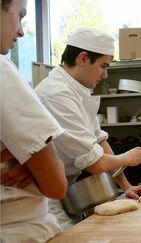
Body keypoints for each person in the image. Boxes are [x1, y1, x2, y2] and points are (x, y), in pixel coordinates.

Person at [35, 27, 141, 229]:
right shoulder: (56, 94)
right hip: (44, 198)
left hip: (66, 191)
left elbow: (99, 139)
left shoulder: (77, 89)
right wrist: (127, 158)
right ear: (83, 58)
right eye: (103, 66)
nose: (106, 75)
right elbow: (94, 163)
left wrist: (126, 187)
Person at [0, 0, 68, 241]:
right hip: (20, 231)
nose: (20, 30)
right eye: (20, 15)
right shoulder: (2, 71)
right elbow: (56, 186)